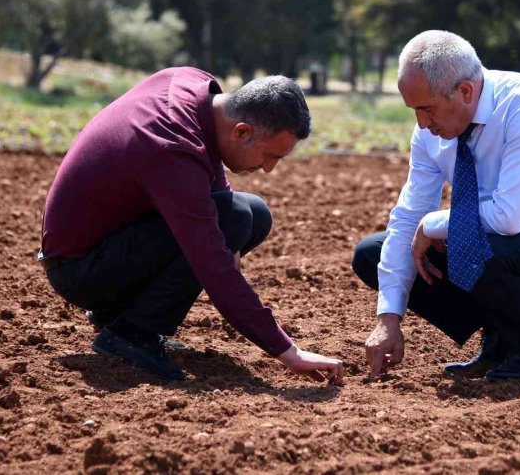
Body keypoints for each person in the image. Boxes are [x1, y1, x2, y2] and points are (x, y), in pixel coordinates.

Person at [39, 67, 345, 384]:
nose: (269, 169)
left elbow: (209, 161)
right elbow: (212, 265)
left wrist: (233, 243)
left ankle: (120, 316)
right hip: (81, 271)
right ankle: (131, 333)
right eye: (269, 155)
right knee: (235, 217)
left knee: (252, 213)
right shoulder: (171, 145)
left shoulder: (192, 83)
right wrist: (288, 352)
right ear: (241, 132)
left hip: (107, 247)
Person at [353, 30, 520, 380]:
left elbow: (507, 218)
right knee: (373, 251)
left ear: (465, 91)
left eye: (427, 109)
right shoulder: (430, 134)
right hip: (502, 250)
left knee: (466, 241)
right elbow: (408, 217)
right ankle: (502, 338)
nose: (421, 124)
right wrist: (388, 318)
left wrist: (433, 225)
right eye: (415, 111)